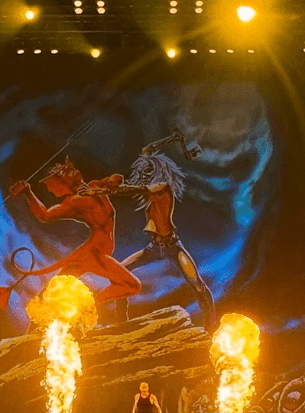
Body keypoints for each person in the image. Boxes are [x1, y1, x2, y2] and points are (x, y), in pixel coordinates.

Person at [84, 139, 216, 328]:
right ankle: (121, 322)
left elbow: (136, 189)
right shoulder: (151, 185)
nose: (143, 175)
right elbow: (148, 150)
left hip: (173, 247)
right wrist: (173, 139)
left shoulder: (162, 187)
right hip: (153, 248)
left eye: (147, 172)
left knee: (198, 285)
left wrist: (104, 190)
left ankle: (211, 325)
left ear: (157, 172)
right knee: (120, 273)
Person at [0, 157, 141, 312]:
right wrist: (28, 192)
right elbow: (45, 215)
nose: (75, 173)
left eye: (72, 171)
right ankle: (85, 309)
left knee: (52, 291)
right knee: (132, 285)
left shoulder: (95, 186)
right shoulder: (73, 202)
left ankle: (80, 309)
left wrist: (115, 180)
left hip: (93, 253)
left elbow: (111, 180)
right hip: (94, 253)